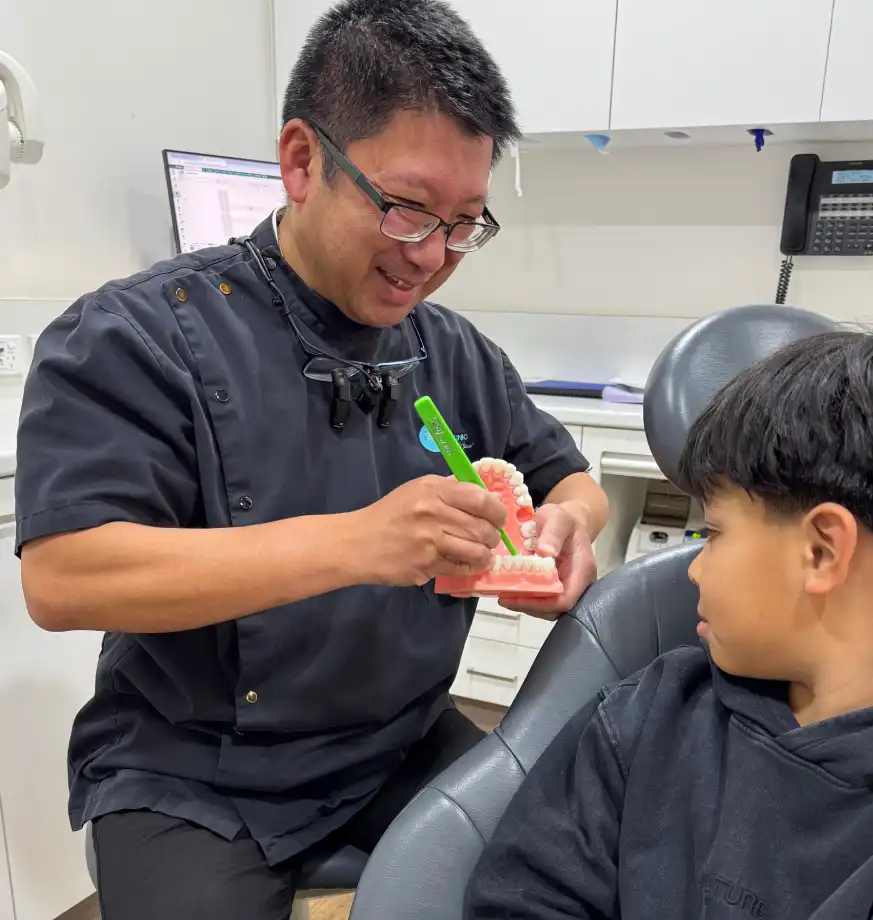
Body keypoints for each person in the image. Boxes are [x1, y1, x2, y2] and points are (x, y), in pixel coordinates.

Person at [14, 1, 609, 917]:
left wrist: (568, 524)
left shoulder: (446, 349)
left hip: (399, 741)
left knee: (567, 878)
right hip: (196, 773)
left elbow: (570, 476)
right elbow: (65, 577)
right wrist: (362, 544)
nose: (433, 256)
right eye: (409, 209)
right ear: (302, 161)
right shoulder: (135, 336)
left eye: (465, 224)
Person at [464, 331, 873, 920]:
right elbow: (523, 898)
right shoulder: (651, 711)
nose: (694, 568)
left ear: (822, 552)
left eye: (712, 534)